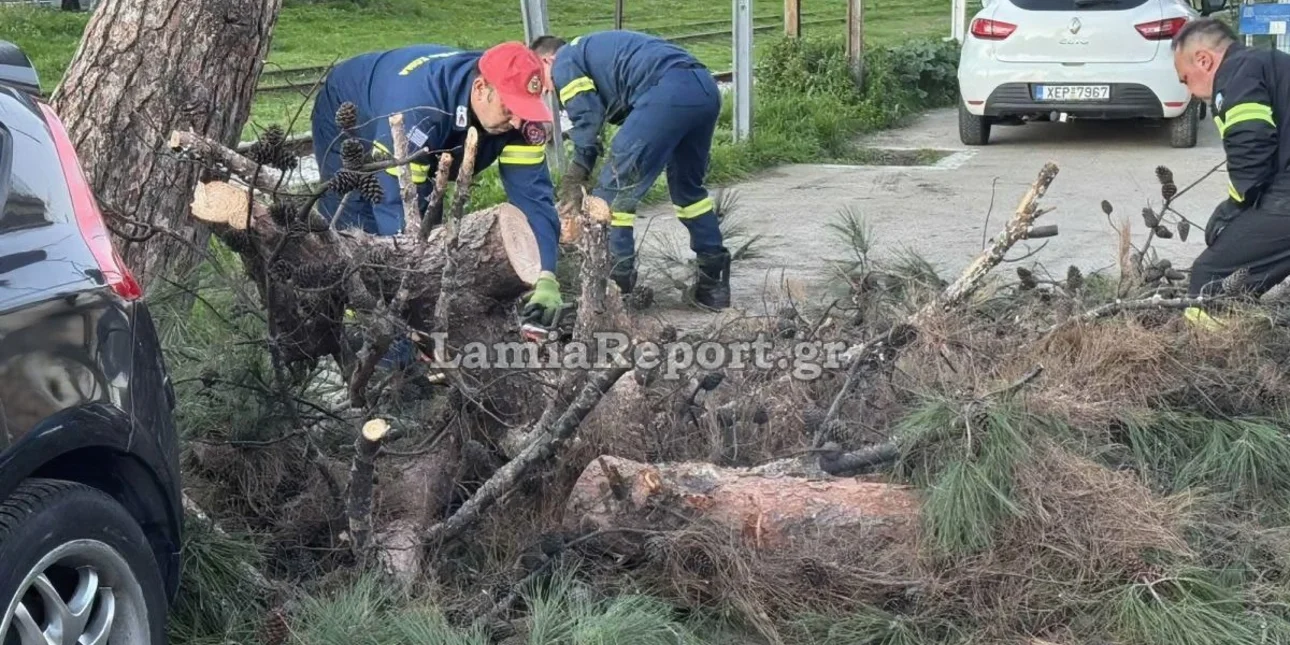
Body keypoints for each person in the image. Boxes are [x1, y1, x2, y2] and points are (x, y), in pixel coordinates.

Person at [310, 42, 566, 337]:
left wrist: (546, 275)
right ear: (481, 88)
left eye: (525, 109)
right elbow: (396, 205)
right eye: (510, 108)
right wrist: (416, 298)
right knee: (358, 218)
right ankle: (364, 331)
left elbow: (534, 197)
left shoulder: (520, 119)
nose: (518, 120)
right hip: (352, 104)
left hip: (431, 130)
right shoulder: (418, 109)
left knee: (432, 219)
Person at [529, 31, 732, 310]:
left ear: (548, 59)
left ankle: (616, 285)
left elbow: (587, 118)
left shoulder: (565, 60)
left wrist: (578, 171)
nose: (549, 90)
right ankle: (714, 286)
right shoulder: (594, 48)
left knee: (612, 192)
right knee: (689, 193)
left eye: (543, 79)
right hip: (704, 89)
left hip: (666, 93)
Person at [1172, 18, 1290, 304]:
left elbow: (1252, 147)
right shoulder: (1270, 64)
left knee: (1209, 278)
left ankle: (1202, 345)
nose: (1190, 92)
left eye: (1185, 79)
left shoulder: (1236, 74)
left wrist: (1234, 206)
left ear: (1203, 60)